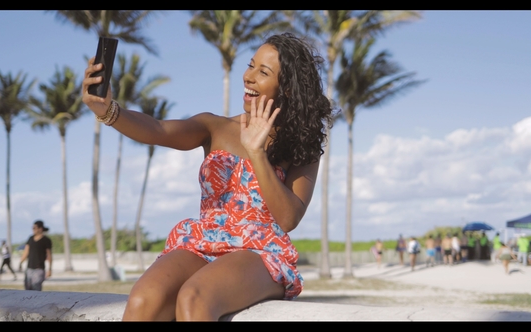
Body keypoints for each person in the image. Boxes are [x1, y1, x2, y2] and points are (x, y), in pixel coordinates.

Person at [82, 33, 332, 321]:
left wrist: (257, 152)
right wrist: (109, 112)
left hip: (260, 252)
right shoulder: (215, 127)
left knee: (193, 299)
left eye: (263, 72)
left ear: (286, 89)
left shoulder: (302, 146)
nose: (248, 77)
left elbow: (288, 219)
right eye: (250, 65)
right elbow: (158, 130)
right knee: (142, 301)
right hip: (203, 240)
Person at [19, 220, 52, 291]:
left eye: (34, 228)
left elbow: (49, 255)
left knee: (36, 289)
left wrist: (49, 269)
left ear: (40, 229)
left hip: (39, 269)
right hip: (29, 268)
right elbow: (26, 252)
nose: (33, 229)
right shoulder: (30, 239)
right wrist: (21, 262)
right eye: (32, 228)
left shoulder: (46, 240)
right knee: (27, 289)